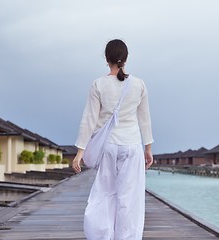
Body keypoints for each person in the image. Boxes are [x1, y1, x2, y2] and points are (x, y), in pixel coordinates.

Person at [72, 39, 154, 240]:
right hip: (132, 146)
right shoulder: (139, 84)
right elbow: (145, 119)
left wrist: (80, 153)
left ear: (106, 59)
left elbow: (89, 120)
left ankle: (101, 235)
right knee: (129, 199)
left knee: (104, 194)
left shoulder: (98, 84)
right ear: (125, 59)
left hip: (108, 146)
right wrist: (148, 149)